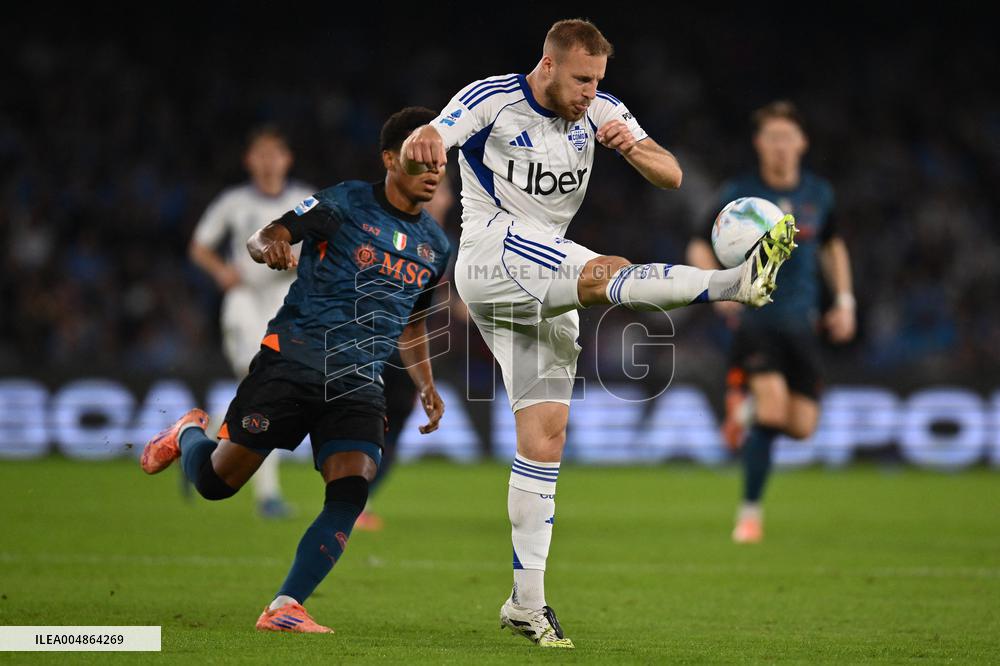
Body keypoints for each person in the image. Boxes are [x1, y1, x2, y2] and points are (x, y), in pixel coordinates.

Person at [400, 19, 797, 648]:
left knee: (546, 433)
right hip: (492, 251)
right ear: (550, 65)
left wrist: (630, 147)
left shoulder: (603, 110)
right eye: (582, 79)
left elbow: (672, 175)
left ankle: (525, 603)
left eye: (598, 81)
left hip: (539, 278)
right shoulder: (492, 100)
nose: (591, 92)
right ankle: (732, 284)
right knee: (603, 273)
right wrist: (425, 138)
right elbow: (438, 132)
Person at [142, 107, 451, 633]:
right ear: (389, 159)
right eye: (421, 160)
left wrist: (426, 385)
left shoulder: (436, 247)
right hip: (294, 361)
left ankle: (285, 604)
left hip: (360, 381)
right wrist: (272, 248)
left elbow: (412, 325)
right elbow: (262, 236)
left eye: (441, 162)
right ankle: (189, 432)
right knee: (217, 484)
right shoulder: (345, 201)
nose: (433, 171)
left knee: (351, 492)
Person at [686, 101, 856, 544]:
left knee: (801, 427)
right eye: (772, 138)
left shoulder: (819, 194)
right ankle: (749, 516)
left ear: (802, 143)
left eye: (788, 137)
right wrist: (717, 290)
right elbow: (698, 245)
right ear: (759, 144)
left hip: (803, 324)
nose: (780, 146)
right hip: (756, 319)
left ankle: (742, 411)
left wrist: (844, 300)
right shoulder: (740, 193)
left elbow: (833, 247)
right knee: (774, 409)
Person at [189, 126, 313, 518]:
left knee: (261, 391)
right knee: (263, 388)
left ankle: (194, 449)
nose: (267, 161)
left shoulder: (303, 199)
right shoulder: (234, 201)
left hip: (284, 300)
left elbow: (326, 243)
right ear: (249, 161)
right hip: (243, 299)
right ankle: (268, 495)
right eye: (260, 154)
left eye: (274, 153)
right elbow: (199, 245)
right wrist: (222, 272)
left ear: (287, 159)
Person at [356, 174, 455, 532]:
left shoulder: (452, 248)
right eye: (437, 189)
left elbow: (449, 301)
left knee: (393, 433)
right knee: (369, 427)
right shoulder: (398, 235)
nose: (439, 197)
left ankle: (358, 500)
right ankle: (350, 499)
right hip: (379, 345)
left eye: (444, 190)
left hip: (415, 354)